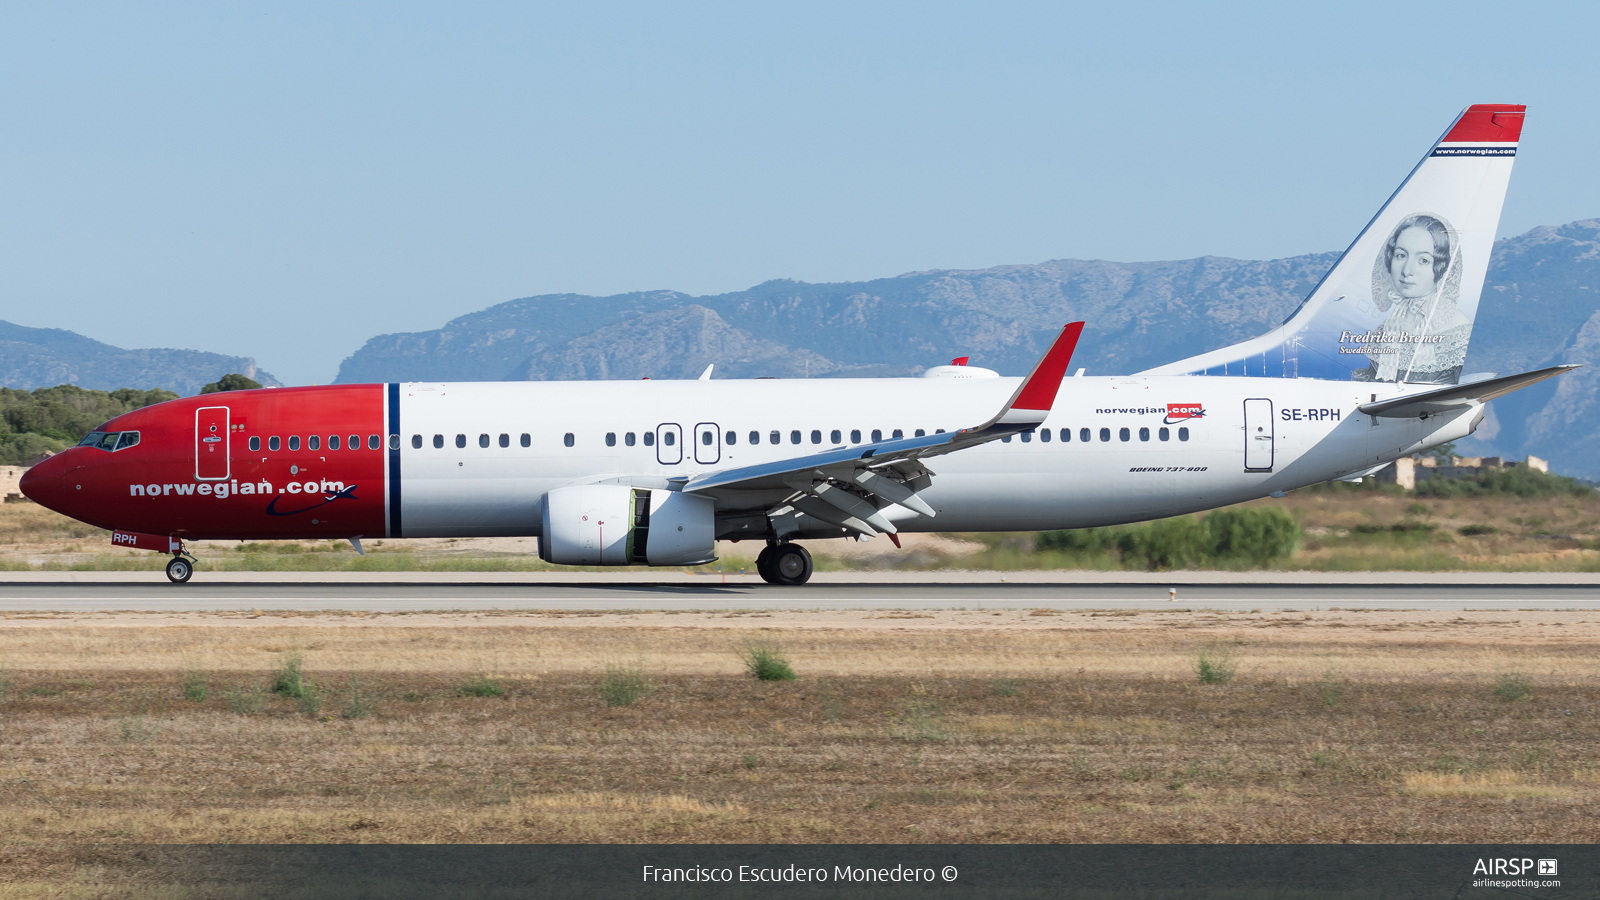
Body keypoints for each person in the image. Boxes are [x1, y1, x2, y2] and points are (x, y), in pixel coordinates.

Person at [1352, 214, 1471, 383]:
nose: (1407, 270)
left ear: (1441, 266)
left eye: (1423, 260)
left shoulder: (1457, 330)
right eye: (1401, 255)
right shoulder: (1389, 326)